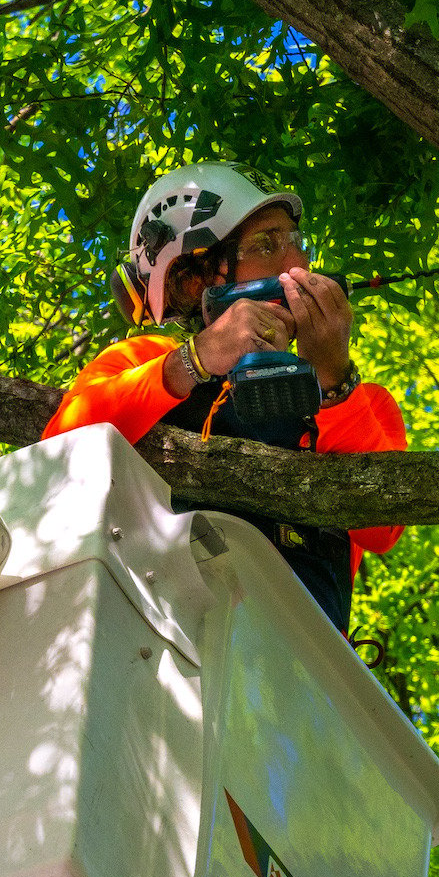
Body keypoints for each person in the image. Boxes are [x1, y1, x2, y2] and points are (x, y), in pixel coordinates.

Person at [44, 162, 405, 633]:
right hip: (146, 635)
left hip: (297, 671)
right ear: (198, 280)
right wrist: (194, 361)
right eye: (265, 245)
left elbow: (381, 528)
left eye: (296, 243)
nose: (295, 265)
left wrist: (331, 379)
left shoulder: (364, 403)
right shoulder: (140, 360)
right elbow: (60, 449)